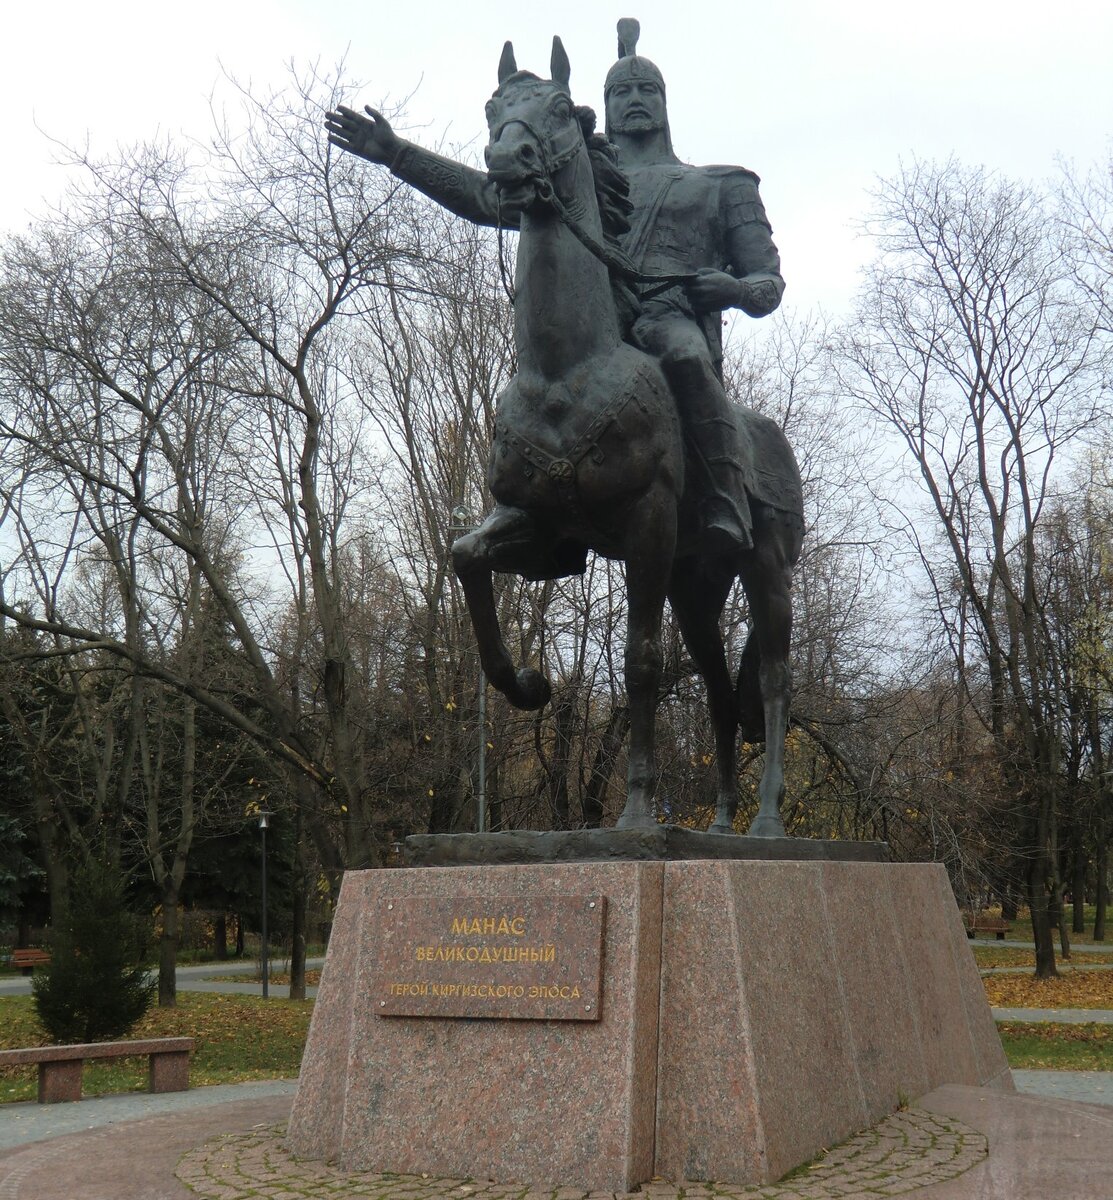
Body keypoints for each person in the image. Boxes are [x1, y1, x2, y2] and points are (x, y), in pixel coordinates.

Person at [325, 19, 784, 554]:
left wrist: (732, 290)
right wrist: (398, 154)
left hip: (668, 319)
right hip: (596, 320)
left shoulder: (722, 184)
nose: (634, 100)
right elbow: (484, 197)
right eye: (620, 91)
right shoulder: (576, 174)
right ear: (605, 104)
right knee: (536, 385)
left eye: (646, 90)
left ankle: (724, 498)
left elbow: (767, 281)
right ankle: (533, 512)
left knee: (683, 351)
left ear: (665, 100)